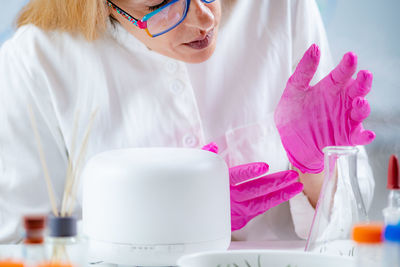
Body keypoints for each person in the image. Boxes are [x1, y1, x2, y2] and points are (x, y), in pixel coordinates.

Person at [0, 0, 375, 243]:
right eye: (160, 3)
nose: (204, 17)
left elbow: (350, 220)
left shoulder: (281, 8)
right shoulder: (35, 62)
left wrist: (317, 169)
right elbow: (19, 245)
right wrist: (165, 222)